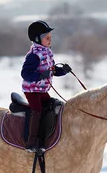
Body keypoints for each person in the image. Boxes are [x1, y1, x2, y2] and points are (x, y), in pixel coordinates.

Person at [21, 20, 72, 154]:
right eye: (47, 38)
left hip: (42, 90)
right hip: (31, 90)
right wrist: (41, 75)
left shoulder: (47, 53)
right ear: (37, 39)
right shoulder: (33, 55)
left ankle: (48, 136)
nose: (50, 40)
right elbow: (25, 74)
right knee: (37, 110)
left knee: (52, 106)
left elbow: (52, 71)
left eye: (50, 38)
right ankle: (31, 142)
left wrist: (63, 71)